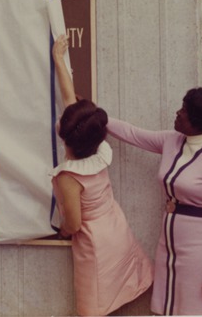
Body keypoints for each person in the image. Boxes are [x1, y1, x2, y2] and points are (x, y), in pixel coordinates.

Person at [103, 73, 202, 314]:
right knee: (169, 307)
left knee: (196, 309)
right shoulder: (173, 141)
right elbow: (132, 134)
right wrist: (97, 115)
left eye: (185, 110)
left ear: (201, 119)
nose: (178, 112)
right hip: (169, 246)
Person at [51, 36, 153, 316]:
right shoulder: (98, 152)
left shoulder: (68, 176)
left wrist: (61, 231)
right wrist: (59, 59)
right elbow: (69, 99)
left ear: (67, 137)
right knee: (114, 297)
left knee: (91, 307)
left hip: (94, 244)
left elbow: (73, 223)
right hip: (115, 229)